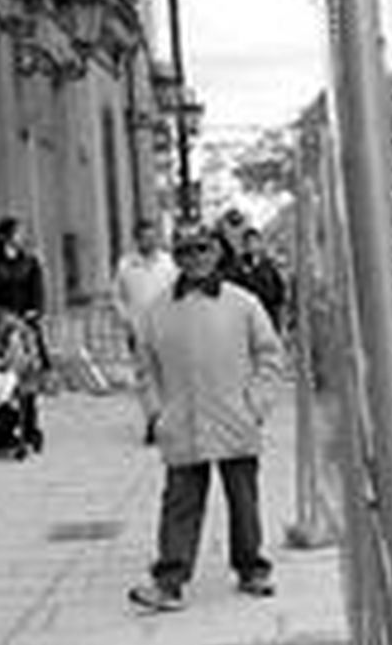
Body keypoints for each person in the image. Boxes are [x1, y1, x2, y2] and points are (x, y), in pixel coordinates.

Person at [127, 221, 285, 612]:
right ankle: (170, 581)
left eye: (201, 249)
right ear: (176, 257)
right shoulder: (156, 311)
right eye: (184, 251)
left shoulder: (243, 303)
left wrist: (256, 405)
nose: (194, 258)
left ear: (216, 252)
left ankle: (252, 568)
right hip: (182, 420)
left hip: (235, 415)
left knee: (243, 497)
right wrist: (156, 413)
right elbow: (144, 369)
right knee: (180, 500)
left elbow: (270, 356)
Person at [0, 216, 47, 451]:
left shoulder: (30, 262)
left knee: (27, 379)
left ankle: (30, 428)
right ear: (6, 236)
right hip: (0, 327)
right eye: (19, 233)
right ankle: (3, 427)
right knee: (1, 377)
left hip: (25, 327)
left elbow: (38, 294)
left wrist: (34, 312)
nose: (23, 237)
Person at [113, 219, 178, 444]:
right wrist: (126, 320)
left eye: (153, 236)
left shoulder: (168, 264)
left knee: (168, 377)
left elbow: (178, 293)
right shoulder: (126, 265)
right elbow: (117, 297)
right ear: (136, 239)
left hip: (167, 328)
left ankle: (168, 418)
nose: (149, 241)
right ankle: (153, 419)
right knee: (145, 378)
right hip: (138, 330)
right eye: (145, 237)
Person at [229, 227, 288, 333]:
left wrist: (282, 320)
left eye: (255, 241)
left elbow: (280, 292)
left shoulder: (269, 266)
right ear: (244, 245)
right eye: (249, 242)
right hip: (248, 318)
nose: (252, 245)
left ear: (260, 243)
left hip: (269, 315)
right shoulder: (238, 267)